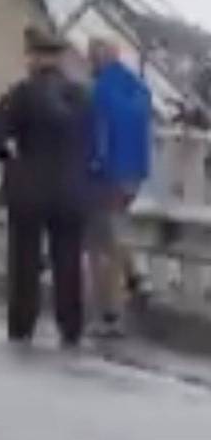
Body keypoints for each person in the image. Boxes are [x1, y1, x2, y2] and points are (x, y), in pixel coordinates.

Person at [0, 27, 92, 347]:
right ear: (59, 59)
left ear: (34, 57)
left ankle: (22, 326)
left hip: (30, 191)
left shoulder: (20, 94)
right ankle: (71, 327)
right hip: (71, 190)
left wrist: (8, 154)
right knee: (68, 261)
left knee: (24, 262)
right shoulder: (82, 96)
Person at [86, 38, 153, 338]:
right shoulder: (139, 89)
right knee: (118, 226)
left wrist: (92, 166)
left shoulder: (100, 91)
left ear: (99, 59)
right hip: (134, 173)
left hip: (108, 174)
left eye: (91, 57)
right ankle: (137, 277)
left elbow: (99, 135)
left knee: (103, 245)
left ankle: (110, 313)